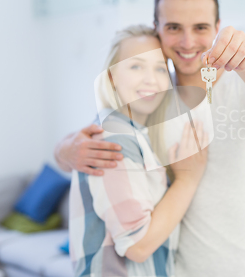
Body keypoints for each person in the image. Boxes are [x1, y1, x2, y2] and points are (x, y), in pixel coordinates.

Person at [56, 0, 245, 276]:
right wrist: (65, 150)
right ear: (157, 28)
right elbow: (107, 131)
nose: (187, 42)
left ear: (217, 28)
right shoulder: (152, 96)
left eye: (200, 28)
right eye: (173, 28)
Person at [69, 25, 208, 277]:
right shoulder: (115, 138)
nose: (151, 79)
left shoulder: (136, 134)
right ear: (111, 76)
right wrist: (188, 180)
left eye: (160, 68)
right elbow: (137, 245)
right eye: (136, 66)